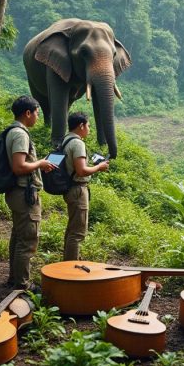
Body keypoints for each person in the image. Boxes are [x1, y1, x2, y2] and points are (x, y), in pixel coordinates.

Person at [4, 96, 56, 289]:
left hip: (16, 191)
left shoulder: (12, 131)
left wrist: (38, 163)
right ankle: (22, 284)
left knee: (18, 236)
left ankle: (14, 278)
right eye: (37, 113)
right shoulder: (20, 135)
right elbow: (19, 167)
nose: (37, 117)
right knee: (27, 240)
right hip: (23, 193)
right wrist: (40, 163)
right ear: (28, 113)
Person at [61, 112, 109, 261]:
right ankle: (71, 267)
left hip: (70, 188)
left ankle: (68, 262)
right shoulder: (78, 143)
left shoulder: (66, 139)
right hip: (78, 190)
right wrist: (99, 167)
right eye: (88, 125)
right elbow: (81, 171)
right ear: (81, 126)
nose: (89, 129)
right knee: (78, 233)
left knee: (72, 229)